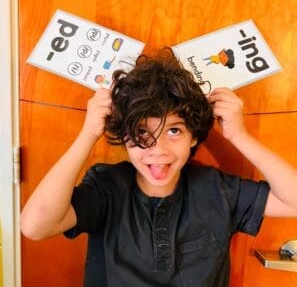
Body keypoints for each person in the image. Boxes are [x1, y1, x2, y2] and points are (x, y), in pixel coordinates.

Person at [20, 50, 297, 287]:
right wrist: (88, 134)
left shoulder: (217, 189)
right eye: (141, 132)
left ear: (194, 136)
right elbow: (34, 226)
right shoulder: (107, 188)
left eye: (174, 130)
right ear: (124, 136)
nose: (158, 149)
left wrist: (239, 136)